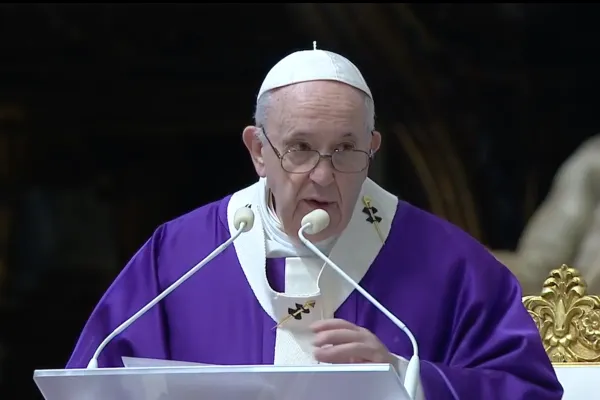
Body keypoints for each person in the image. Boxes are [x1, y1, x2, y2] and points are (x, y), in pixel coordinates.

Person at [66, 45, 563, 399]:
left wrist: (405, 378)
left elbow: (529, 390)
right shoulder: (180, 254)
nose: (322, 176)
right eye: (299, 149)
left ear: (372, 150)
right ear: (259, 150)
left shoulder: (450, 263)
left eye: (346, 150)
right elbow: (93, 380)